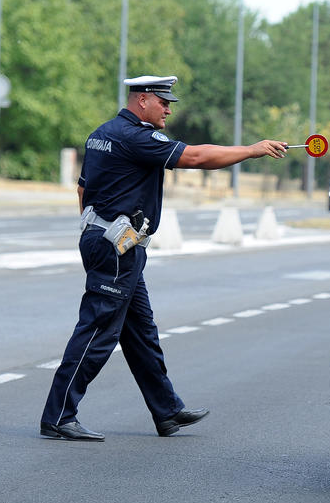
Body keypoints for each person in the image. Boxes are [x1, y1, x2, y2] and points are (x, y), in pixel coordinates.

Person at [40, 75, 288, 441]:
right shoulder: (137, 137)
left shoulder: (102, 133)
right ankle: (59, 415)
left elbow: (83, 188)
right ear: (142, 100)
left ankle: (167, 411)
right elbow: (197, 156)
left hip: (113, 243)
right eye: (163, 101)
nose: (169, 108)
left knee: (141, 333)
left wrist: (96, 231)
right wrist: (253, 149)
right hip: (116, 248)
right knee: (97, 330)